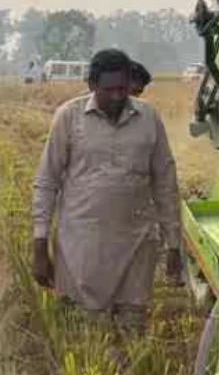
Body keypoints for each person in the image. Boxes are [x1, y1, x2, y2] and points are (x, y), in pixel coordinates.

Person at [32, 48, 182, 333]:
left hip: (136, 243)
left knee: (132, 331)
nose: (116, 96)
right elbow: (46, 181)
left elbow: (165, 183)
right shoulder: (69, 117)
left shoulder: (149, 118)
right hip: (82, 248)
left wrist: (173, 243)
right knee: (87, 335)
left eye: (123, 89)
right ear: (91, 85)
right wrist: (39, 245)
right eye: (108, 89)